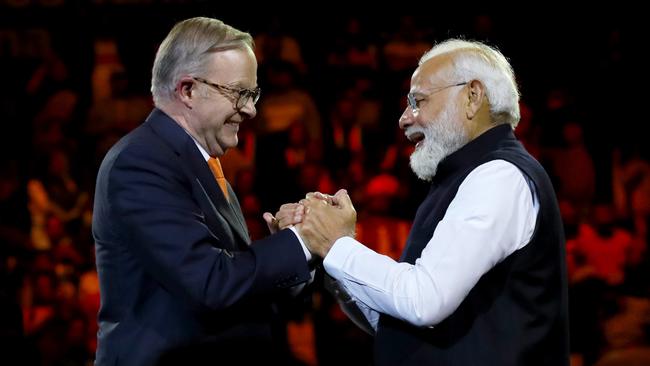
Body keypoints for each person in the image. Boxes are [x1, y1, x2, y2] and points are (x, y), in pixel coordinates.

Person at [296, 39, 570, 365]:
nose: (404, 118)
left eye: (418, 101)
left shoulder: (499, 177)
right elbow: (398, 324)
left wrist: (336, 243)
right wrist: (328, 255)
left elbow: (424, 300)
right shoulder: (462, 176)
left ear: (472, 97)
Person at [92, 17, 313, 366]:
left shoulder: (201, 161)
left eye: (253, 94)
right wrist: (302, 241)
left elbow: (237, 284)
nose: (251, 109)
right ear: (188, 90)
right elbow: (211, 283)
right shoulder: (141, 162)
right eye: (240, 93)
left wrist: (292, 247)